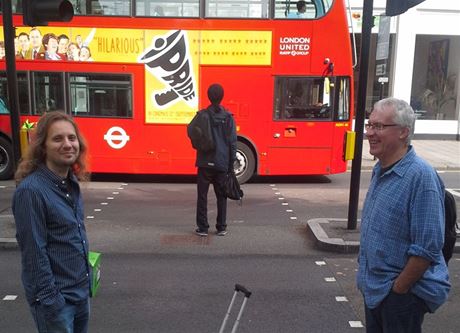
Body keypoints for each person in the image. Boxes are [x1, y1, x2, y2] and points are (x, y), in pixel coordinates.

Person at [357, 98, 450, 332]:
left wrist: (398, 289)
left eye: (379, 126)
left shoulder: (421, 177)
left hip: (400, 296)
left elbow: (427, 248)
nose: (370, 133)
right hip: (375, 290)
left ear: (403, 132)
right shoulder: (380, 169)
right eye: (369, 125)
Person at [13, 111, 91, 333]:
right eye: (57, 139)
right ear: (43, 146)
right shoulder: (31, 192)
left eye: (71, 138)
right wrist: (52, 301)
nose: (67, 144)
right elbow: (34, 253)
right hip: (58, 302)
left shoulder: (71, 183)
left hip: (80, 293)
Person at [194, 83, 237, 237]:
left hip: (205, 161)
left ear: (209, 96)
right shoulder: (228, 118)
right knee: (221, 195)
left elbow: (195, 135)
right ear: (222, 97)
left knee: (202, 196)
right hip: (221, 162)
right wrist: (231, 165)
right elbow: (232, 142)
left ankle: (203, 227)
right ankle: (221, 226)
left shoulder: (202, 115)